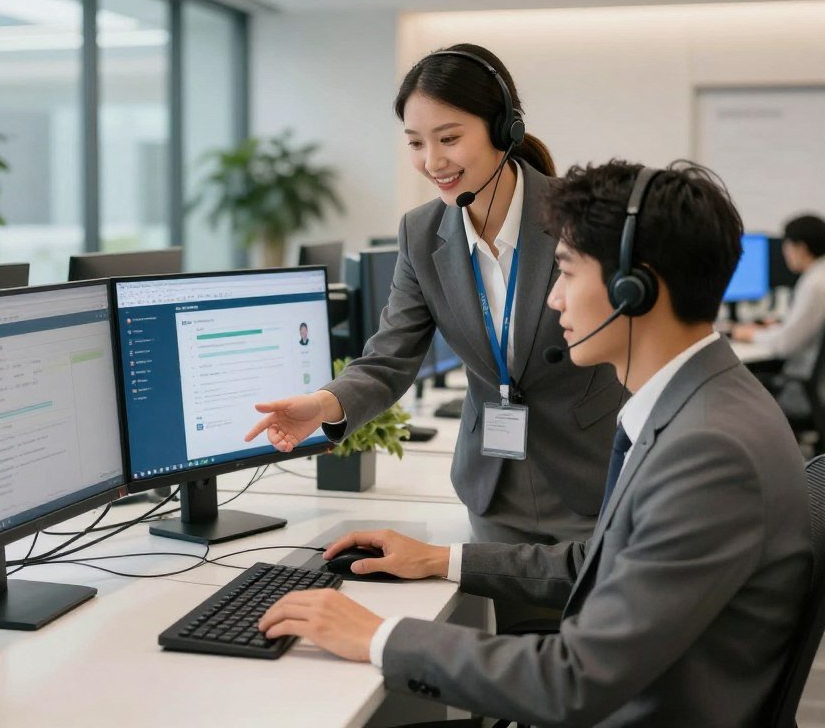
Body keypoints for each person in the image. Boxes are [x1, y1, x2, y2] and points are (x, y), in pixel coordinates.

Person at [258, 160, 812, 726]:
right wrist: (441, 559)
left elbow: (574, 681)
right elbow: (603, 562)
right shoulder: (699, 403)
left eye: (566, 273)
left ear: (633, 288)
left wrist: (378, 636)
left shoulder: (710, 450)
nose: (552, 300)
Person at [246, 44, 619, 558]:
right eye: (416, 143)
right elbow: (388, 357)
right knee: (499, 628)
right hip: (493, 486)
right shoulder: (421, 234)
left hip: (592, 478)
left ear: (503, 128)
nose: (432, 161)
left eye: (449, 138)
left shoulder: (578, 216)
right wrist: (324, 404)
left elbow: (634, 339)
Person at [732, 213, 825, 414]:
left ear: (800, 247)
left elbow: (784, 345)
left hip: (802, 390)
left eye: (787, 245)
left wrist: (750, 334)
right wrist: (778, 325)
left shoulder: (814, 284)